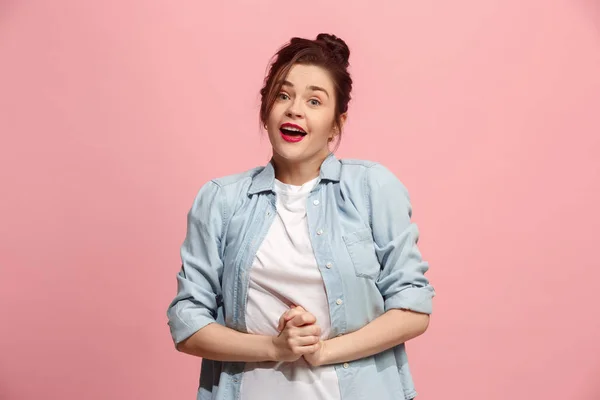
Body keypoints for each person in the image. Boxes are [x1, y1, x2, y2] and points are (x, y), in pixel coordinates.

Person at [166, 33, 435, 400]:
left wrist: (324, 350)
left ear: (337, 123)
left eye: (314, 100)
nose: (295, 109)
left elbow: (412, 308)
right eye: (283, 95)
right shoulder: (220, 200)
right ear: (266, 109)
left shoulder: (372, 188)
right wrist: (275, 348)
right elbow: (187, 324)